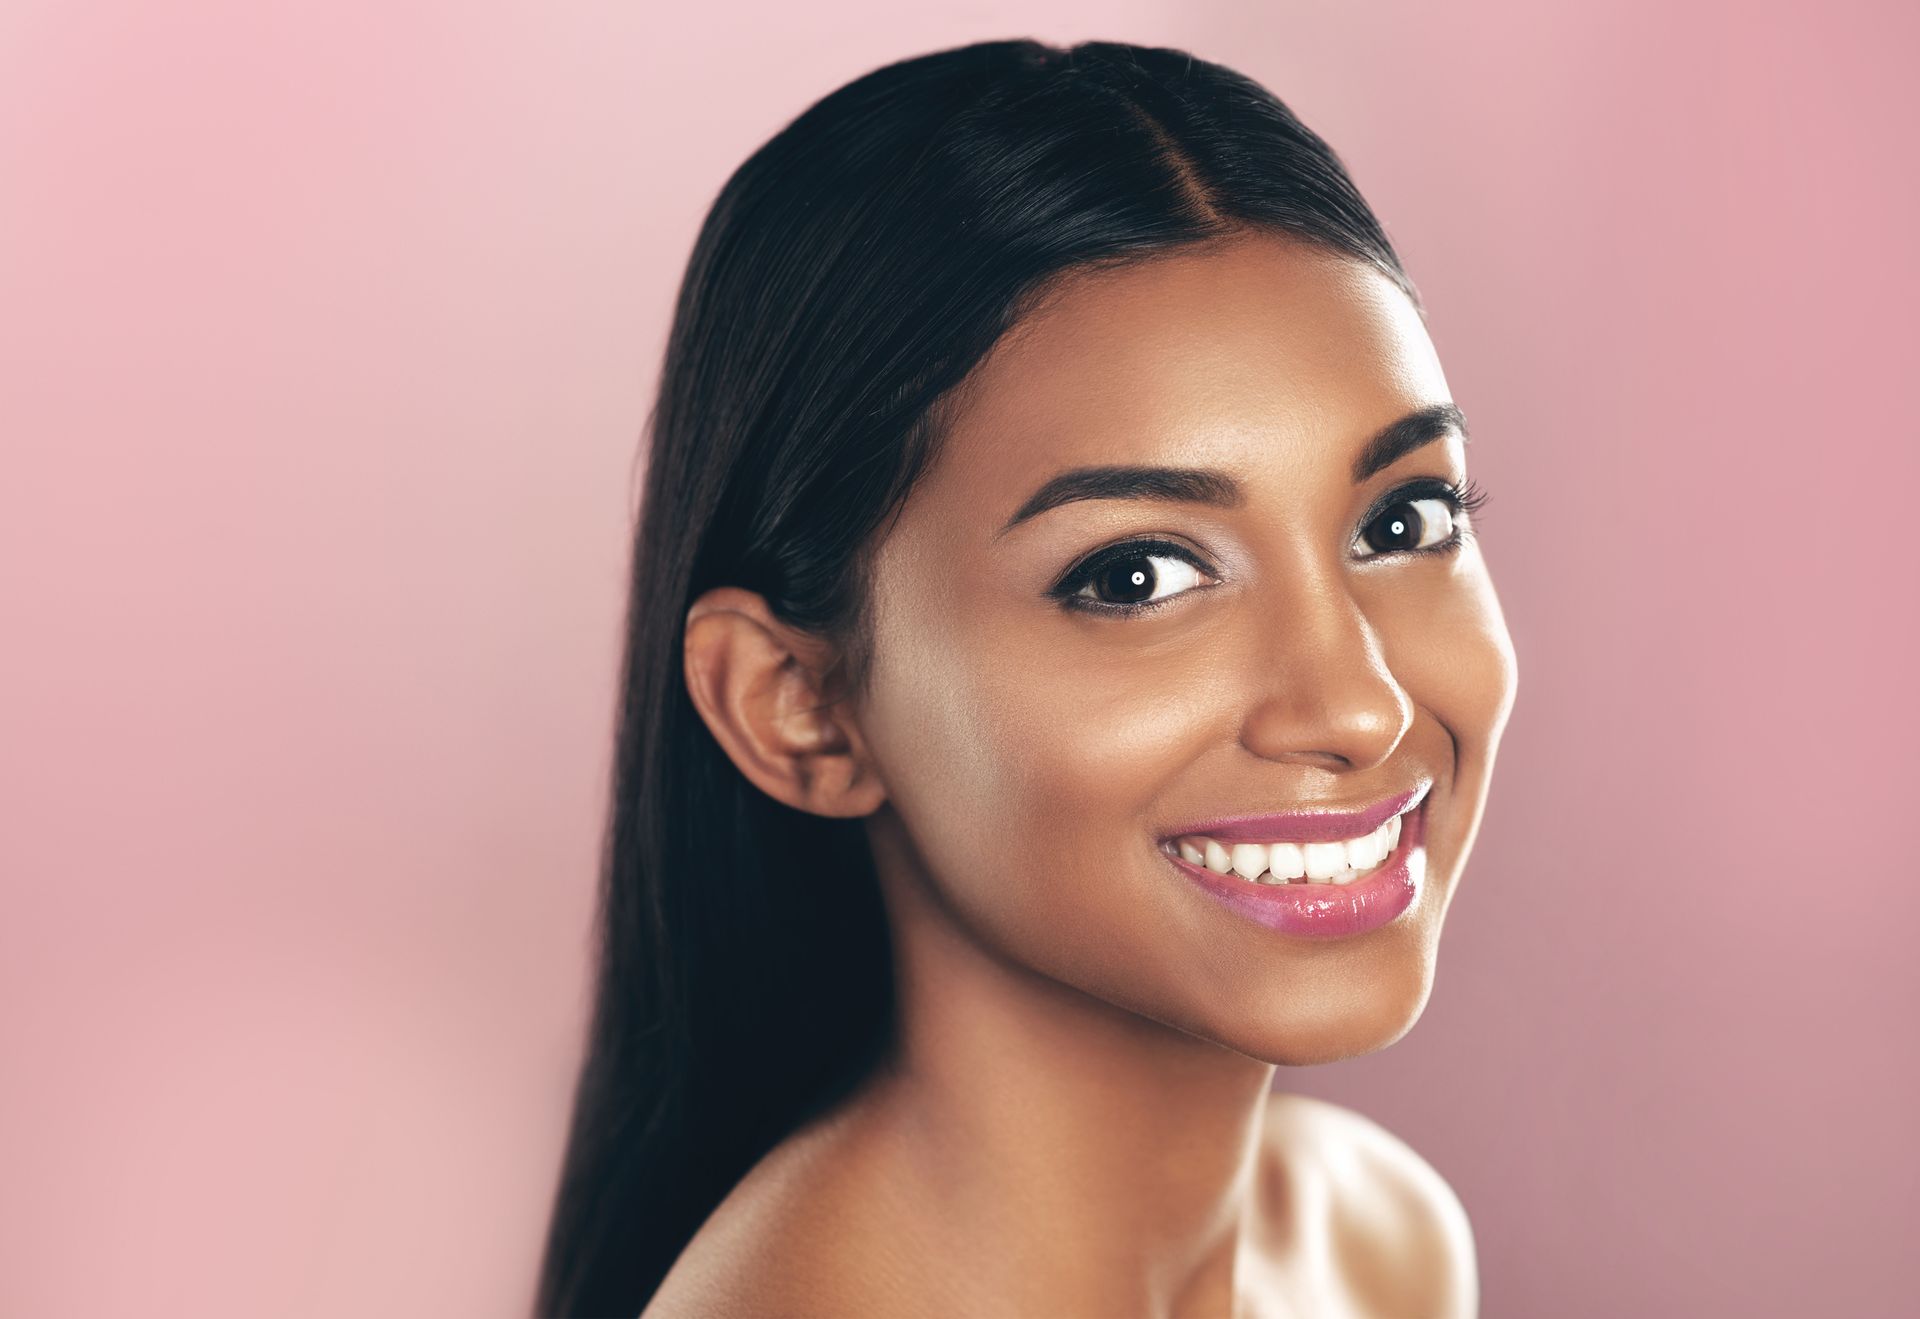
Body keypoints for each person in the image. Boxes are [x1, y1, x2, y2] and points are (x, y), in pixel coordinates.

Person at [536, 37, 1518, 1318]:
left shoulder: (1375, 1244)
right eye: (1137, 575)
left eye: (1404, 521)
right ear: (798, 704)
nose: (1357, 703)